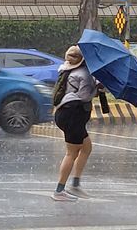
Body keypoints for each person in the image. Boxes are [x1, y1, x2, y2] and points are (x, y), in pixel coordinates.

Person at [51, 45, 98, 201]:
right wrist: (97, 88)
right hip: (73, 115)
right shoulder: (84, 73)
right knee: (72, 153)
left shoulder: (66, 70)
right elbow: (84, 97)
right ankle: (59, 190)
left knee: (86, 147)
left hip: (64, 113)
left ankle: (75, 185)